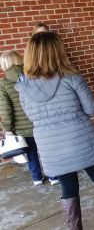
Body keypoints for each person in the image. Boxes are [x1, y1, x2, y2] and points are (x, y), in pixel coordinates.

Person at [15, 32, 94, 230]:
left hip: (50, 144)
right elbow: (91, 109)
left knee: (68, 188)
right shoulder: (71, 77)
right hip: (81, 138)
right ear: (58, 52)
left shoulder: (22, 88)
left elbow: (32, 117)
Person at [0, 50, 59, 186]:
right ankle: (54, 177)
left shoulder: (3, 84)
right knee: (47, 151)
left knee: (31, 154)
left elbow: (6, 110)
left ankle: (37, 178)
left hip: (22, 128)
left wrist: (8, 130)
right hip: (41, 122)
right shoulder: (33, 76)